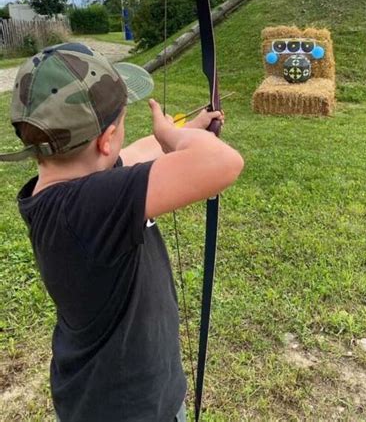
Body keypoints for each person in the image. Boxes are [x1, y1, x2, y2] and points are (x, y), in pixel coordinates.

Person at [0, 42, 244, 422]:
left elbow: (132, 156)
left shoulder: (63, 194)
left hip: (104, 394)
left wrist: (184, 131)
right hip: (132, 408)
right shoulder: (88, 206)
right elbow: (223, 163)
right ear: (105, 139)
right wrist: (178, 141)